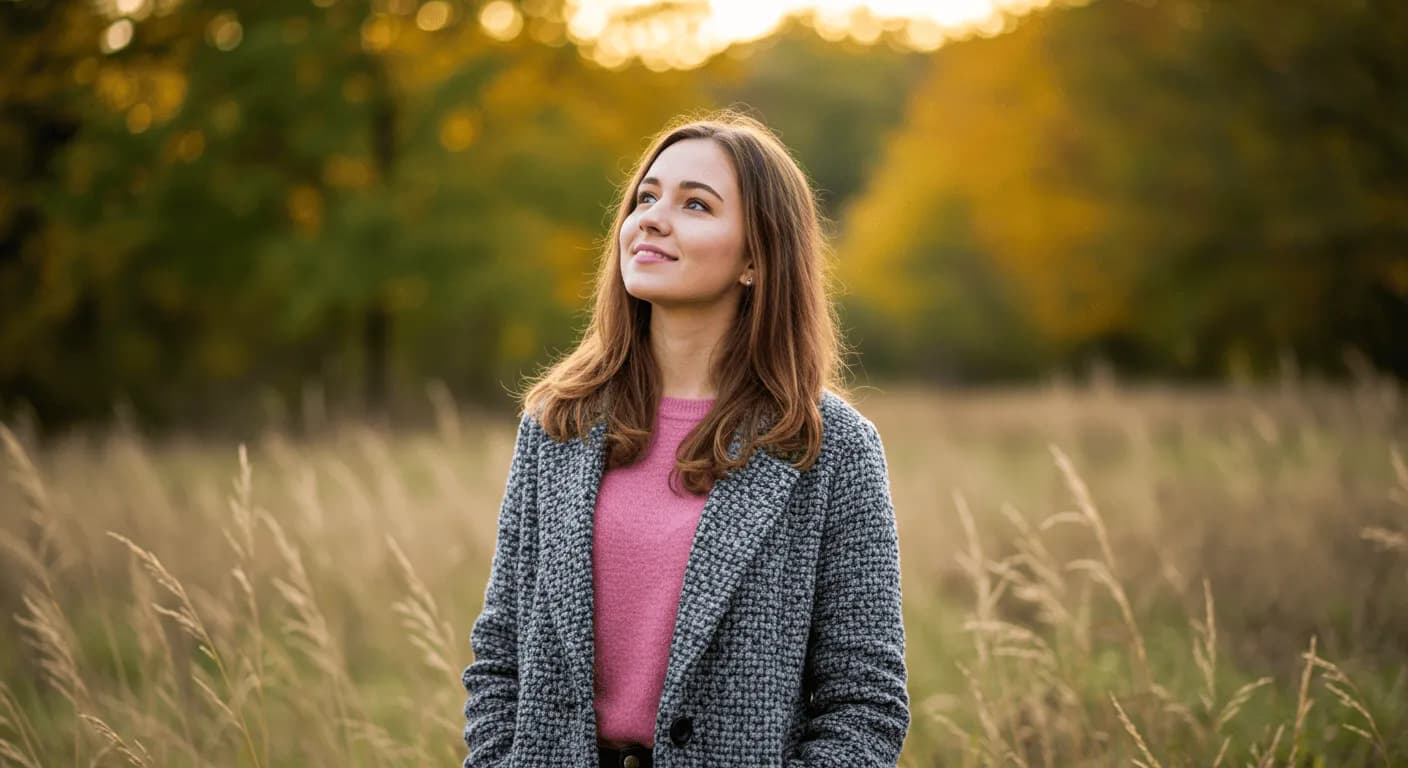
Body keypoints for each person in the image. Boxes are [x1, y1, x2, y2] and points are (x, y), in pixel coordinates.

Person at [460, 110, 909, 768]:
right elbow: (500, 659)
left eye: (695, 204)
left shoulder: (828, 445)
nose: (653, 218)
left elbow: (864, 702)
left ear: (756, 255)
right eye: (646, 198)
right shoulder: (561, 423)